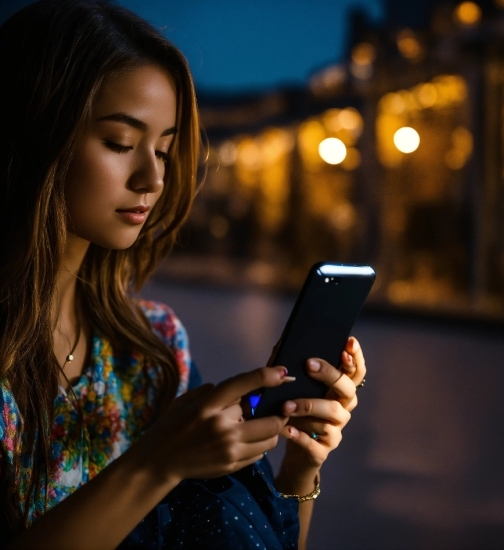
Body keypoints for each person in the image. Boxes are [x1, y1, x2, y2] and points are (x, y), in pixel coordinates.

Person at [0, 1, 367, 548]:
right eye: (120, 144)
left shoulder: (153, 350)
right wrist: (156, 465)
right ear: (35, 134)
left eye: (166, 150)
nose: (152, 178)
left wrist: (297, 468)